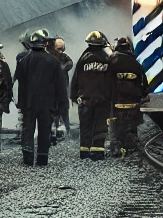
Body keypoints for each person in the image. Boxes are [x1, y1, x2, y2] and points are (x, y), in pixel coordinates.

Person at [13, 28, 67, 167]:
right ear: (44, 44)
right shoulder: (53, 62)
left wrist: (21, 103)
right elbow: (60, 87)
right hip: (47, 103)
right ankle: (42, 159)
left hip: (28, 103)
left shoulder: (23, 61)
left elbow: (19, 84)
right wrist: (61, 105)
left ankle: (28, 158)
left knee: (28, 129)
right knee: (45, 130)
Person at [70, 31, 113, 159]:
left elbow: (75, 79)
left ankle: (84, 151)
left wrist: (73, 96)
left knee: (85, 126)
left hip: (85, 99)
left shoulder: (83, 59)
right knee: (100, 125)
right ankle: (97, 152)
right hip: (102, 99)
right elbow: (111, 80)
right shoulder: (108, 59)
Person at [108, 35, 146, 157]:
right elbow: (144, 84)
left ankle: (117, 147)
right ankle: (131, 149)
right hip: (133, 104)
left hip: (116, 104)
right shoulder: (136, 65)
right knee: (131, 128)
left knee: (116, 128)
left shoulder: (110, 63)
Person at [50, 37, 74, 142]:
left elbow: (70, 64)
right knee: (62, 108)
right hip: (61, 87)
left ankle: (57, 128)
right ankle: (64, 128)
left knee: (56, 108)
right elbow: (70, 64)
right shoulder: (63, 57)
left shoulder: (51, 56)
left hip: (54, 87)